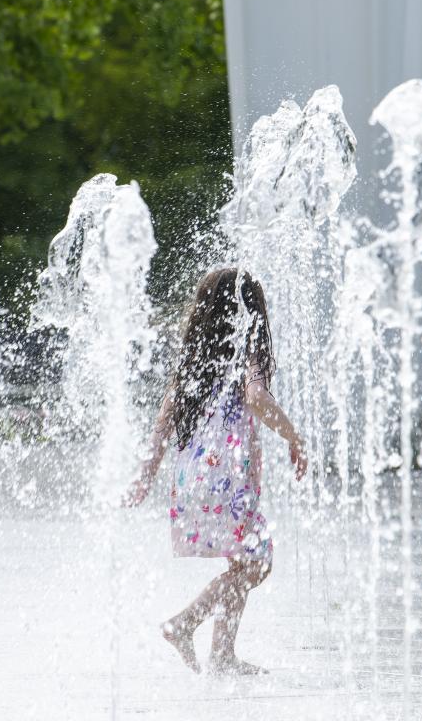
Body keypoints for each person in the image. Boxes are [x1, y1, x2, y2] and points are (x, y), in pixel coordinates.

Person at [125, 268, 308, 676]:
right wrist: (295, 438)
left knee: (241, 565)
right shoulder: (249, 349)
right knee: (257, 563)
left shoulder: (195, 357)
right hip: (228, 478)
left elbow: (162, 422)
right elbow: (257, 398)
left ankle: (223, 655)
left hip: (193, 479)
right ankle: (183, 623)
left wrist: (145, 476)